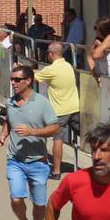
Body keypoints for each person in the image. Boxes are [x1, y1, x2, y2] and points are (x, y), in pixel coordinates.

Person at [0, 64, 59, 220]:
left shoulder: (41, 102)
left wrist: (33, 131)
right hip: (15, 160)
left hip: (38, 162)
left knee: (39, 203)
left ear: (28, 81)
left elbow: (55, 128)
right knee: (17, 198)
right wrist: (2, 135)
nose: (13, 83)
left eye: (17, 80)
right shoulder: (10, 103)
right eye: (12, 79)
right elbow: (9, 121)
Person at [35, 42, 81, 179]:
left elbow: (33, 78)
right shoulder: (68, 66)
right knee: (84, 138)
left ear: (52, 54)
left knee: (57, 139)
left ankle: (56, 171)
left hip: (60, 111)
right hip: (75, 108)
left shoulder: (51, 69)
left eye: (48, 52)